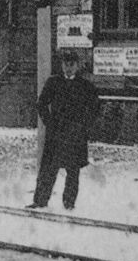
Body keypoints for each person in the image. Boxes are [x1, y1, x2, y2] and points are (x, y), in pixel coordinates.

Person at [26, 50, 100, 211]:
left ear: (77, 66)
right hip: (56, 133)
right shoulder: (54, 82)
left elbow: (95, 108)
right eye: (65, 65)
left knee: (73, 171)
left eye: (72, 65)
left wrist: (84, 126)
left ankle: (69, 204)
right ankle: (40, 201)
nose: (68, 68)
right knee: (48, 169)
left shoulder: (85, 86)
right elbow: (42, 104)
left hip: (76, 134)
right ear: (61, 65)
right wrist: (49, 123)